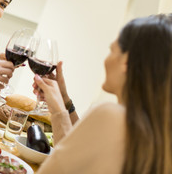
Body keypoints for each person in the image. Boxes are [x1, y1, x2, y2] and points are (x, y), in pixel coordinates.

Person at [33, 14, 172, 174]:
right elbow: (83, 149)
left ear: (126, 62)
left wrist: (59, 112)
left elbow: (58, 170)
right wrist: (65, 101)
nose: (106, 59)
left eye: (112, 50)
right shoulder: (157, 136)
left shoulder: (112, 115)